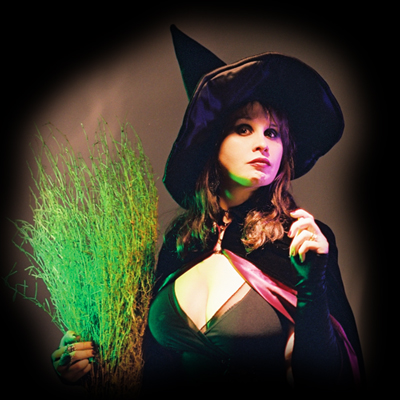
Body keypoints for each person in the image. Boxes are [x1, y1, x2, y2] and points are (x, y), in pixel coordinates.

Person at [51, 26, 364, 393]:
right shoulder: (181, 240)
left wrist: (312, 281)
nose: (262, 144)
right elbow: (143, 362)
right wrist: (83, 365)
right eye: (244, 129)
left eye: (273, 133)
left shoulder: (302, 239)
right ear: (213, 143)